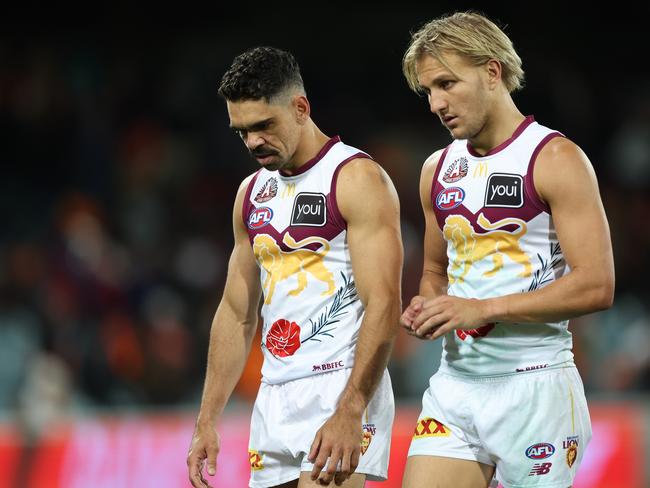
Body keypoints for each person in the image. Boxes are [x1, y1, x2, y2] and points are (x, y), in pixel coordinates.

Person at [399, 11, 614, 488]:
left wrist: (480, 308)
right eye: (428, 91)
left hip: (535, 387)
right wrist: (431, 305)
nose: (436, 103)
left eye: (447, 84)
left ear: (492, 72)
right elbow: (435, 270)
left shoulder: (555, 158)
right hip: (455, 387)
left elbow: (597, 286)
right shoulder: (437, 169)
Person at [186, 46, 403, 488]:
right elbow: (236, 311)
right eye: (241, 131)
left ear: (301, 108)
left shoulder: (356, 178)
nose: (252, 143)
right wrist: (207, 417)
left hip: (339, 387)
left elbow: (383, 302)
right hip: (275, 394)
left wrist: (351, 408)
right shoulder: (251, 194)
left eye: (264, 126)